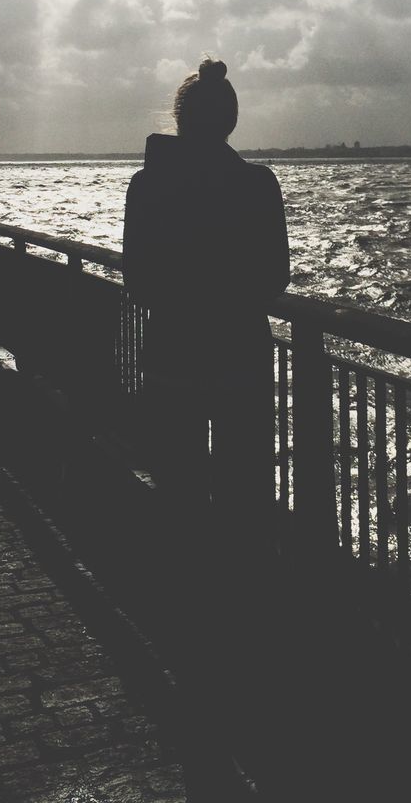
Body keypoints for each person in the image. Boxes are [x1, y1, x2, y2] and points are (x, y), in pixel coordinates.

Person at [122, 57, 290, 549]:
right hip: (241, 358)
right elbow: (275, 276)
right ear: (231, 120)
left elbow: (138, 280)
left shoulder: (147, 185)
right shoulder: (258, 184)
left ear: (180, 118)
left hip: (173, 354)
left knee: (178, 486)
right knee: (246, 486)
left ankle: (187, 587)